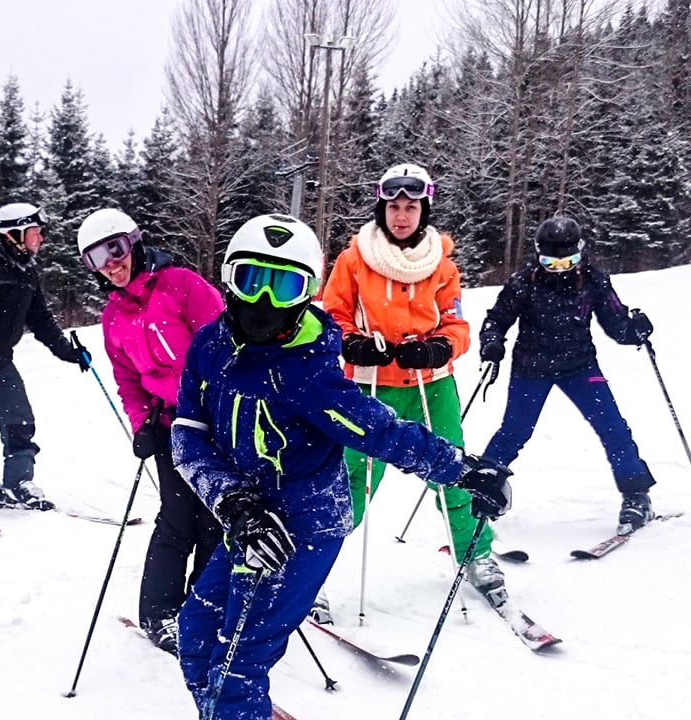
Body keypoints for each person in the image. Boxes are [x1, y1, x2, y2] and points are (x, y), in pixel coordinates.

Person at [171, 214, 512, 720]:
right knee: (196, 633)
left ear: (306, 292)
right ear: (228, 278)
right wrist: (232, 500)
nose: (264, 302)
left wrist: (462, 470)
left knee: (239, 664)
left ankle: (233, 708)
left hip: (303, 526)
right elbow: (188, 435)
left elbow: (382, 432)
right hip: (247, 522)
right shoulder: (210, 347)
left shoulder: (308, 371)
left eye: (283, 286)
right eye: (252, 280)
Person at [320, 162, 500, 611]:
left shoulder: (441, 263)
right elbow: (331, 317)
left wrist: (440, 348)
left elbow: (457, 322)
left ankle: (476, 555)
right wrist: (354, 346)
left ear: (425, 210)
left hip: (431, 385)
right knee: (351, 482)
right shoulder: (354, 258)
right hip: (369, 386)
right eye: (394, 206)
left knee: (454, 472)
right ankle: (311, 569)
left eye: (411, 207)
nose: (402, 216)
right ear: (382, 210)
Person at [75, 208, 224, 655]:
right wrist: (143, 425)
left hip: (216, 419)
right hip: (169, 425)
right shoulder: (113, 316)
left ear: (134, 243)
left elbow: (224, 346)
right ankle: (160, 615)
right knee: (177, 518)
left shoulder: (181, 285)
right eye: (95, 260)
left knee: (215, 519)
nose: (110, 266)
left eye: (114, 251)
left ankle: (205, 610)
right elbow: (129, 380)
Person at [478, 216, 658, 535]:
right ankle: (481, 492)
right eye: (551, 260)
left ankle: (636, 495)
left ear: (580, 253)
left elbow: (616, 323)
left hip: (579, 366)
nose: (560, 268)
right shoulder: (524, 281)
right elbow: (497, 319)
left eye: (568, 260)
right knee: (514, 431)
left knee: (612, 427)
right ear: (538, 254)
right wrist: (492, 344)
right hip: (531, 368)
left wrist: (634, 331)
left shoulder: (594, 280)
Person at [0, 202, 91, 511]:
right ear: (16, 234)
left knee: (20, 422)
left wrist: (69, 353)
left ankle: (16, 484)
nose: (41, 239)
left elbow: (42, 321)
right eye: (36, 232)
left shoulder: (27, 274)